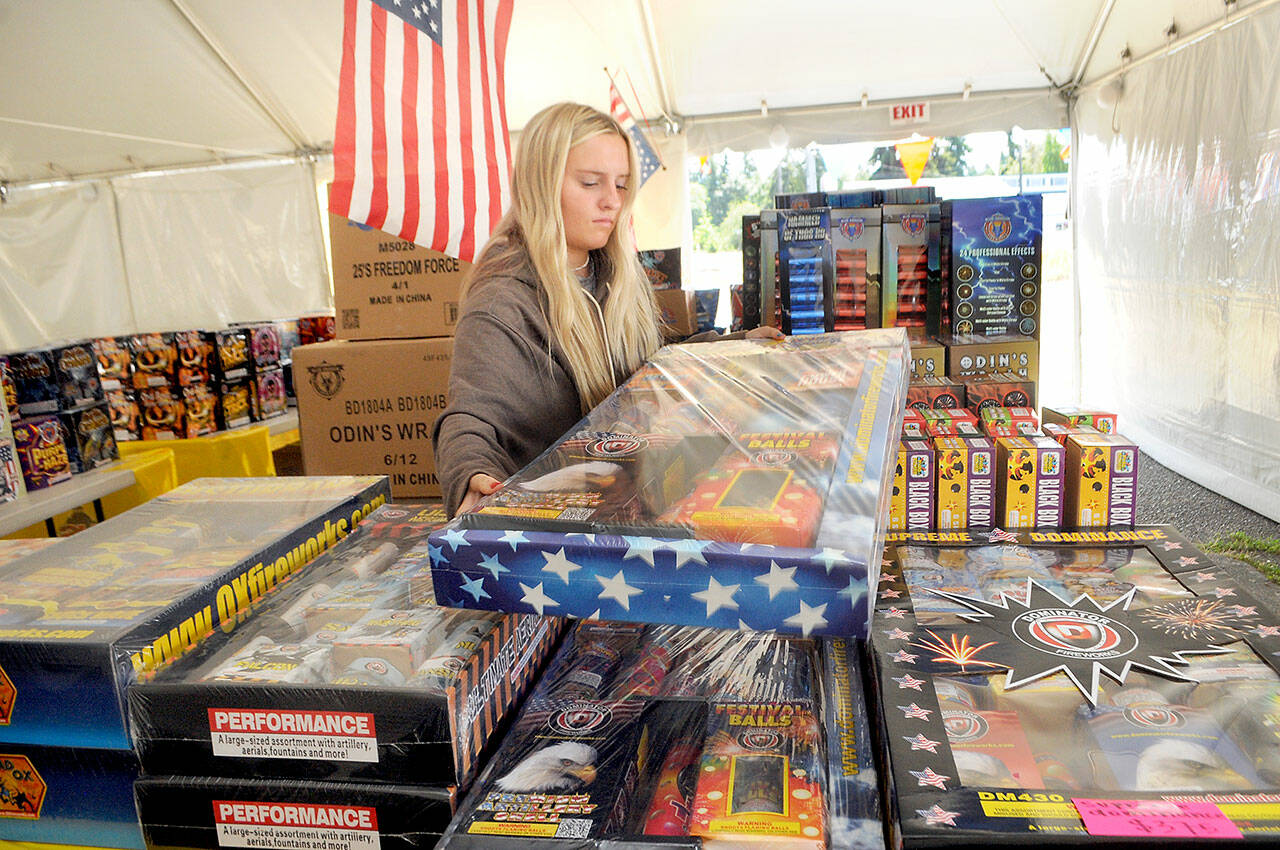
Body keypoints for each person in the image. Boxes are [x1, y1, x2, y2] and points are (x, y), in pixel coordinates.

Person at [433, 102, 783, 517]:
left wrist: (731, 347)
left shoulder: (611, 270)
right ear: (539, 183)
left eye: (620, 185)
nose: (611, 202)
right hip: (557, 531)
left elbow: (648, 367)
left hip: (632, 500)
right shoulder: (502, 300)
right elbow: (468, 419)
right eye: (589, 183)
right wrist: (472, 474)